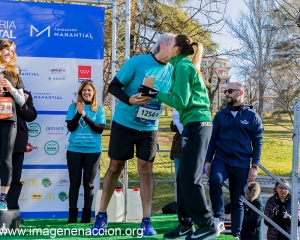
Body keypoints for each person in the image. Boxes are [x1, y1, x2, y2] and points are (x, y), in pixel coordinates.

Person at [91, 32, 176, 236]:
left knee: (146, 169)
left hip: (149, 127)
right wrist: (129, 99)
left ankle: (146, 220)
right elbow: (113, 86)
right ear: (162, 44)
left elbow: (172, 96)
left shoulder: (173, 70)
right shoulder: (138, 62)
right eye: (175, 45)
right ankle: (101, 215)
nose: (177, 49)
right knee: (115, 167)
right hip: (124, 123)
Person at [139, 34, 219, 240]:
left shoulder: (183, 67)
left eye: (170, 43)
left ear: (176, 50)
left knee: (190, 178)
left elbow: (181, 101)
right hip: (192, 125)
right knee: (183, 177)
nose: (164, 45)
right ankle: (185, 224)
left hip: (197, 124)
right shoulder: (181, 67)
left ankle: (207, 225)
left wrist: (154, 93)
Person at [204, 82, 263, 239]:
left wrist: (254, 165)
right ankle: (218, 218)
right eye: (225, 91)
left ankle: (236, 235)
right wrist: (208, 160)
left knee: (238, 201)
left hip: (241, 162)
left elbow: (257, 142)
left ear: (240, 92)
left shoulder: (252, 117)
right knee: (215, 179)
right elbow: (213, 138)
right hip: (221, 159)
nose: (226, 94)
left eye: (229, 91)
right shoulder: (220, 115)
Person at [65, 81, 106, 224]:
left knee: (88, 183)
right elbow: (70, 127)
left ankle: (87, 215)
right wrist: (78, 113)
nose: (86, 93)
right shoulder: (73, 107)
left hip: (93, 151)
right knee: (74, 183)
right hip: (74, 150)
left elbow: (99, 129)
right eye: (84, 91)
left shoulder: (99, 109)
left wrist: (84, 115)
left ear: (93, 92)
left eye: (89, 90)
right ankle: (72, 216)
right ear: (80, 93)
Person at [0, 90, 36, 223]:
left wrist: (20, 102)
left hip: (17, 142)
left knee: (15, 179)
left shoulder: (24, 94)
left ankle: (12, 211)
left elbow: (31, 116)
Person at [0, 39, 25, 211]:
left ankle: (3, 199)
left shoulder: (14, 72)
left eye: (12, 51)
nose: (10, 54)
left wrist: (10, 89)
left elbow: (21, 101)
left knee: (6, 159)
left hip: (8, 120)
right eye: (7, 50)